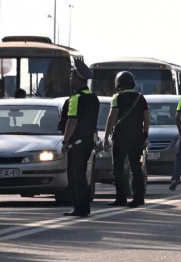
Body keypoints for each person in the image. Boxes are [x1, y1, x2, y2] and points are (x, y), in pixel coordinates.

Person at [103, 71, 150, 208]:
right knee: (136, 168)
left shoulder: (117, 97)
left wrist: (106, 136)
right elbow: (146, 118)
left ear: (118, 84)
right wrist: (145, 135)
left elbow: (112, 117)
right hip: (137, 138)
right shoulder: (140, 98)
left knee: (118, 168)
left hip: (121, 138)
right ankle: (139, 198)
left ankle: (121, 198)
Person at [62, 59, 100, 217]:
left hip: (76, 143)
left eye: (72, 76)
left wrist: (65, 141)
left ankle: (79, 207)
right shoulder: (93, 98)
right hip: (88, 142)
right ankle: (83, 207)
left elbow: (72, 121)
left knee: (75, 175)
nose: (70, 79)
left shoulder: (76, 99)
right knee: (82, 174)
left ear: (78, 78)